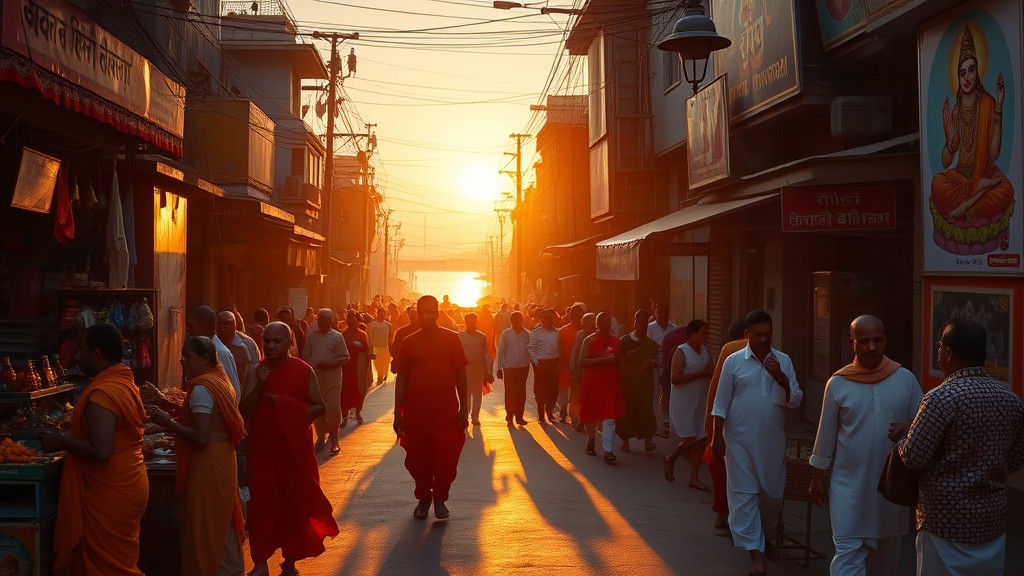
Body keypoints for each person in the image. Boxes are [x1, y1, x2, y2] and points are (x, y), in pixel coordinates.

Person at [893, 319, 1024, 576]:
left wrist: (903, 437)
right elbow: (1017, 459)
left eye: (940, 346)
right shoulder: (1010, 399)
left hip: (945, 522)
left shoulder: (940, 398)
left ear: (948, 353)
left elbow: (913, 456)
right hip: (991, 521)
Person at [809, 315, 922, 576]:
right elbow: (825, 436)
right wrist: (817, 477)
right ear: (852, 343)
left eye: (877, 340)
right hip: (848, 487)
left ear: (885, 341)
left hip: (891, 491)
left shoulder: (905, 379)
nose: (871, 347)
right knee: (847, 557)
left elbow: (924, 425)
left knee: (886, 561)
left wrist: (908, 427)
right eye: (864, 341)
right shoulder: (838, 383)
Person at [40, 323, 148, 575]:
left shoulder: (105, 393)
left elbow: (101, 451)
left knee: (110, 566)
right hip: (127, 479)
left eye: (82, 350)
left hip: (112, 488)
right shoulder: (124, 382)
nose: (78, 356)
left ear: (97, 354)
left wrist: (61, 441)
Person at [240, 322, 338, 576]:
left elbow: (319, 406)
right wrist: (261, 385)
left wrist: (286, 407)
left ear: (290, 343)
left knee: (294, 505)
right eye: (267, 341)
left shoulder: (303, 371)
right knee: (262, 505)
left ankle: (290, 560)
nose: (270, 346)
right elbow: (245, 411)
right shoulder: (255, 371)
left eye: (277, 341)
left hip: (294, 450)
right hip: (262, 450)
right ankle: (260, 562)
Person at [711, 310, 803, 576]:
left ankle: (767, 537)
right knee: (744, 496)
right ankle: (756, 557)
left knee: (772, 495)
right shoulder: (733, 362)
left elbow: (796, 399)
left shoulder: (783, 360)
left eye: (768, 335)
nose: (764, 340)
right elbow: (720, 402)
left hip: (771, 443)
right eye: (758, 335)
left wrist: (781, 379)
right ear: (747, 335)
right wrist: (717, 437)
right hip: (738, 441)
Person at [148, 336, 247, 576]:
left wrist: (168, 422)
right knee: (221, 525)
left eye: (188, 356)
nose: (183, 361)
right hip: (222, 457)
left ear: (204, 358)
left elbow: (201, 435)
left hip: (209, 462)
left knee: (204, 527)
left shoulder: (203, 388)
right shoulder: (220, 380)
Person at [929, 24, 1014, 255]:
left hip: (986, 174)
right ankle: (975, 193)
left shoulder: (988, 103)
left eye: (971, 70)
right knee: (937, 183)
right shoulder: (956, 111)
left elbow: (994, 153)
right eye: (962, 72)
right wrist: (949, 141)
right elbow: (947, 162)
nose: (967, 77)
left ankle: (974, 197)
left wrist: (1000, 107)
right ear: (957, 75)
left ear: (978, 73)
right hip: (962, 178)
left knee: (1005, 190)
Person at [392, 296, 469, 520]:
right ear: (416, 313)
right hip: (415, 411)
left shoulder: (452, 339)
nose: (426, 316)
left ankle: (440, 499)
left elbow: (460, 375)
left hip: (445, 410)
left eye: (430, 312)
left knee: (446, 457)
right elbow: (402, 378)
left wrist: (464, 408)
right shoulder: (408, 342)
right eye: (421, 312)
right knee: (417, 458)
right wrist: (398, 412)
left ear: (437, 313)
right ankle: (424, 497)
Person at [704, 319, 747, 530]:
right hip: (754, 423)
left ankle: (723, 514)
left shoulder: (730, 349)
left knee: (721, 468)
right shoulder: (773, 352)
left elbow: (716, 389)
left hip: (728, 419)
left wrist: (710, 423)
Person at [664, 320, 714, 489]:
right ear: (692, 334)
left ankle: (694, 477)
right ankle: (671, 457)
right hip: (684, 403)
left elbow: (710, 370)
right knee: (690, 438)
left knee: (701, 439)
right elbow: (675, 378)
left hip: (700, 401)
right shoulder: (682, 351)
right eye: (702, 333)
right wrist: (700, 373)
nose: (705, 337)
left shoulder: (705, 350)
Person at [579, 312, 626, 464]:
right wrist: (603, 360)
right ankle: (591, 440)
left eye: (608, 323)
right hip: (592, 383)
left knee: (609, 418)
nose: (605, 326)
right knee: (591, 415)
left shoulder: (617, 341)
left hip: (610, 384)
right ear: (597, 325)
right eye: (602, 323)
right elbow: (582, 361)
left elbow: (620, 362)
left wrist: (622, 380)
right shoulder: (589, 340)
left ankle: (608, 451)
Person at [302, 308, 350, 453]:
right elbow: (305, 357)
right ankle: (321, 437)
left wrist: (330, 363)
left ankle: (334, 439)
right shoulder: (312, 337)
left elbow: (345, 357)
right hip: (316, 377)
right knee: (319, 408)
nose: (322, 323)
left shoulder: (337, 337)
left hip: (332, 377)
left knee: (332, 408)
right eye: (320, 320)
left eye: (326, 320)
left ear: (331, 322)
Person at [617, 310, 659, 453]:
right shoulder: (624, 341)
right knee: (626, 410)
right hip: (628, 382)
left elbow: (658, 360)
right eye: (637, 321)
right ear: (633, 322)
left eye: (643, 322)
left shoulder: (651, 344)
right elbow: (620, 361)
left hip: (645, 382)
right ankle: (625, 441)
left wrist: (654, 363)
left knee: (646, 409)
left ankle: (648, 441)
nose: (640, 324)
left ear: (648, 324)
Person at [189, 306, 242, 398]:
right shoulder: (205, 347)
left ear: (203, 326)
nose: (188, 329)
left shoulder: (219, 352)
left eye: (191, 326)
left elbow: (234, 392)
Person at [458, 312, 494, 426]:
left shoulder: (482, 336)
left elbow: (486, 355)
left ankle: (475, 417)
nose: (470, 323)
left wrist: (489, 372)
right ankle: (466, 415)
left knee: (477, 393)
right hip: (465, 368)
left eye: (473, 321)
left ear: (476, 322)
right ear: (465, 322)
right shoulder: (460, 336)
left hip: (478, 368)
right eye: (468, 321)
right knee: (465, 394)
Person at [497, 310, 531, 426]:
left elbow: (531, 351)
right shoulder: (506, 334)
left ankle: (519, 417)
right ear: (511, 321)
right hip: (509, 368)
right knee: (510, 392)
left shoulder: (528, 334)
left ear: (522, 320)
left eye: (518, 319)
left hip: (523, 367)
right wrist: (499, 367)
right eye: (513, 319)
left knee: (521, 392)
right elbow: (501, 351)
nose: (516, 321)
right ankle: (510, 415)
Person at [647, 306, 677, 433]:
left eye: (665, 311)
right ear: (655, 313)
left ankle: (666, 417)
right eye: (659, 312)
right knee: (654, 392)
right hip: (653, 363)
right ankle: (655, 420)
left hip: (667, 364)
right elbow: (648, 345)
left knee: (666, 391)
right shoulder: (650, 327)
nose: (662, 314)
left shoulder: (673, 328)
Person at [528, 308, 560, 423]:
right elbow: (530, 348)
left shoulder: (557, 332)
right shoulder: (536, 332)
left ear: (554, 318)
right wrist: (536, 363)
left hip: (554, 364)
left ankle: (549, 412)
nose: (548, 319)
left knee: (554, 390)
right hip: (541, 364)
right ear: (541, 319)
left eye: (550, 317)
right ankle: (541, 415)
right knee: (540, 391)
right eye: (545, 317)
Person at [658, 324, 689, 437]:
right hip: (671, 374)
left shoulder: (671, 337)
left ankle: (668, 419)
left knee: (668, 396)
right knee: (668, 396)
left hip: (670, 373)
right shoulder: (678, 345)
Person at [568, 312, 597, 432]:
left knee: (589, 398)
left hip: (592, 372)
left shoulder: (597, 335)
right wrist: (572, 367)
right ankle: (578, 420)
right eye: (586, 322)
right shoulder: (580, 334)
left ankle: (588, 420)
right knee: (577, 396)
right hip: (579, 371)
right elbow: (575, 352)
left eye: (591, 322)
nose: (588, 325)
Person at [340, 310, 370, 426]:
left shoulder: (363, 334)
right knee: (345, 392)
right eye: (349, 320)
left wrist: (369, 355)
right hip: (346, 368)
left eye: (354, 320)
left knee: (359, 391)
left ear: (357, 321)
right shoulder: (343, 335)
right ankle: (344, 416)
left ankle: (358, 413)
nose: (352, 322)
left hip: (359, 368)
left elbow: (366, 350)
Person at [556, 304, 585, 423]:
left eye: (578, 315)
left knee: (577, 393)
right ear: (569, 316)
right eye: (572, 314)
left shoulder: (586, 332)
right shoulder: (563, 331)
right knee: (563, 390)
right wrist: (563, 364)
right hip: (565, 365)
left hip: (581, 367)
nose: (575, 317)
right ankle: (563, 411)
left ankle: (576, 415)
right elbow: (560, 349)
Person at [216, 311, 259, 385]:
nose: (224, 326)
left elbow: (253, 370)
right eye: (220, 323)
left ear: (235, 325)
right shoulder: (211, 343)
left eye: (228, 323)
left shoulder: (247, 344)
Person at [367, 308, 393, 386]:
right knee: (377, 365)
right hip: (376, 348)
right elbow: (369, 337)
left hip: (385, 347)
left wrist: (391, 347)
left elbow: (390, 338)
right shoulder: (372, 325)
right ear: (377, 314)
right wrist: (370, 347)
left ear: (385, 315)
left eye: (383, 314)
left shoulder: (389, 325)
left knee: (385, 363)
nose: (381, 316)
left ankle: (384, 374)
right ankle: (380, 376)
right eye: (380, 314)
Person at [390, 307, 419, 371]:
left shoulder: (401, 332)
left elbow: (393, 351)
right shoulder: (426, 331)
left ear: (409, 318)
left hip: (404, 366)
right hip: (419, 367)